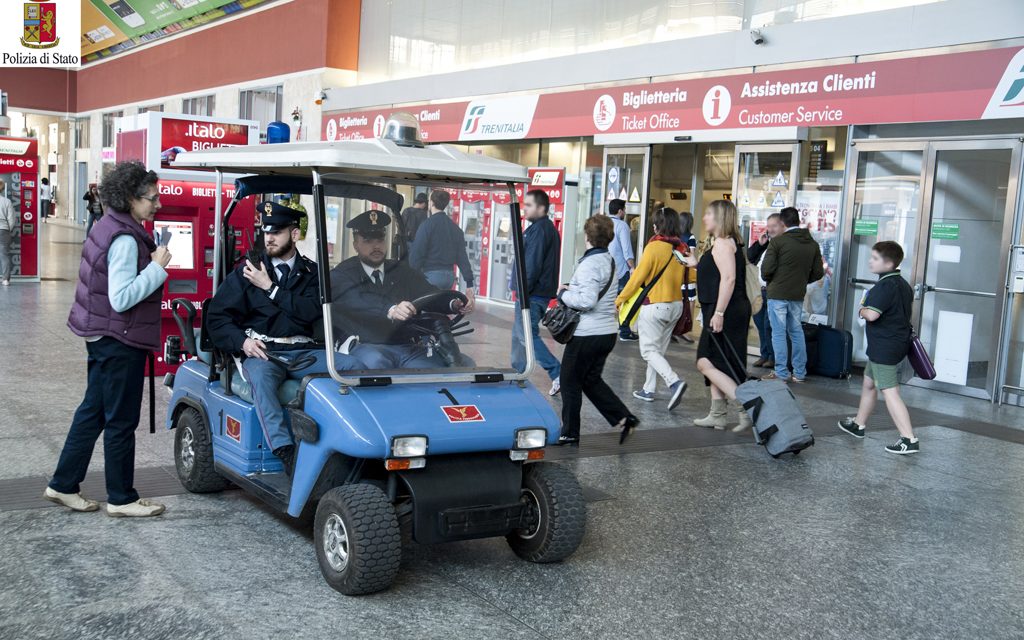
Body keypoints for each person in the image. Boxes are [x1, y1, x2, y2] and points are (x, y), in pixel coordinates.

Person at [45, 161, 171, 517]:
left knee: (93, 412)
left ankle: (63, 484)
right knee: (120, 420)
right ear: (131, 199)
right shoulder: (126, 239)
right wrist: (157, 267)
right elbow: (121, 297)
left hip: (101, 335)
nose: (157, 205)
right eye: (152, 199)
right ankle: (122, 498)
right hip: (120, 340)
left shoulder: (107, 223)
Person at [206, 201, 366, 476]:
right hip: (264, 352)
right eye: (266, 230)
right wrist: (243, 343)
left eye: (277, 231)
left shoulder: (312, 273)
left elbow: (311, 313)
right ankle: (285, 452)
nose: (269, 237)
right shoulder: (247, 271)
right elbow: (217, 319)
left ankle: (354, 444)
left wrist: (270, 288)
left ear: (294, 234)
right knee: (262, 379)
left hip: (305, 350)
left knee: (354, 367)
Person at [330, 209, 472, 369]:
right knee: (376, 366)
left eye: (380, 240)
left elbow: (428, 293)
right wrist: (391, 309)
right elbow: (356, 299)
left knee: (435, 370)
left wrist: (453, 304)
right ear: (356, 245)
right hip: (364, 343)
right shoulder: (342, 274)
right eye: (368, 241)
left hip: (404, 345)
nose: (376, 246)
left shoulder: (400, 271)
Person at [556, 215, 639, 446]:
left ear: (587, 237)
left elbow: (587, 300)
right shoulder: (609, 259)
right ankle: (625, 418)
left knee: (569, 381)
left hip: (587, 335)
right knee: (591, 380)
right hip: (606, 333)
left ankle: (570, 432)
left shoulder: (590, 263)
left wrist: (563, 294)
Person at [838, 241, 920, 454]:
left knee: (890, 391)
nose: (870, 261)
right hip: (889, 344)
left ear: (889, 263)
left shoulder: (885, 285)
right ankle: (858, 424)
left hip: (885, 346)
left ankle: (908, 439)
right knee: (869, 384)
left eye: (875, 258)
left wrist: (861, 310)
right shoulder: (901, 284)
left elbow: (872, 314)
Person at [681, 200, 754, 432]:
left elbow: (729, 279)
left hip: (726, 309)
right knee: (716, 361)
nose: (705, 218)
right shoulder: (726, 243)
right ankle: (717, 414)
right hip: (727, 308)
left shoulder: (722, 243)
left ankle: (745, 407)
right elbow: (717, 273)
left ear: (720, 218)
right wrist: (695, 264)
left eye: (709, 214)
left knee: (704, 361)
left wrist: (719, 312)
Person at [616, 207, 687, 411]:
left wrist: (619, 300)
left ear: (657, 226)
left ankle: (674, 382)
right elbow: (691, 277)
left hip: (655, 306)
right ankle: (648, 389)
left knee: (648, 351)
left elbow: (637, 278)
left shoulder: (654, 248)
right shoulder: (681, 248)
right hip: (676, 305)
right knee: (658, 352)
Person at [760, 206, 824, 383]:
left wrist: (771, 280)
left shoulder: (778, 242)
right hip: (797, 294)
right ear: (798, 221)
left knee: (779, 333)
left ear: (782, 222)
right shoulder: (812, 244)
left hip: (777, 294)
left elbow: (766, 270)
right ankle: (800, 373)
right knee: (796, 332)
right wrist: (802, 280)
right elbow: (819, 272)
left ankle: (781, 372)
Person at [510, 189, 562, 395]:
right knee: (519, 335)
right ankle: (516, 373)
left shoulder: (541, 230)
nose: (525, 208)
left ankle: (557, 372)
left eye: (529, 205)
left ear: (541, 208)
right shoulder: (538, 228)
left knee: (527, 336)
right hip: (532, 294)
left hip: (532, 295)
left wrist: (523, 292)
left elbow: (531, 266)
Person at [409, 190, 477, 305]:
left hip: (430, 276)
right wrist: (469, 283)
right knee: (442, 308)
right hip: (449, 277)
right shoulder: (455, 229)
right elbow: (462, 258)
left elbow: (417, 254)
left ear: (431, 203)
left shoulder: (427, 225)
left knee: (426, 310)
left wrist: (411, 276)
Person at [747, 213, 782, 368]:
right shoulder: (767, 243)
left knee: (770, 326)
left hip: (772, 291)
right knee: (760, 324)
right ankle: (764, 354)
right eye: (769, 226)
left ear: (782, 226)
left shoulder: (783, 245)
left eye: (774, 226)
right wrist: (760, 244)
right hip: (758, 291)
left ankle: (773, 358)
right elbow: (749, 257)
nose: (770, 229)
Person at [606, 198, 637, 341]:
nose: (625, 212)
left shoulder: (604, 223)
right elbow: (627, 250)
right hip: (620, 270)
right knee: (626, 300)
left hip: (605, 268)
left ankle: (606, 329)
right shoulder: (622, 226)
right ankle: (624, 331)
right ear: (620, 211)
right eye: (624, 209)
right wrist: (632, 267)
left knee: (607, 299)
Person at [675, 210, 699, 344]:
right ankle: (685, 330)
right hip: (688, 274)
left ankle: (675, 329)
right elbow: (692, 256)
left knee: (678, 300)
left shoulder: (674, 237)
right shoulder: (690, 237)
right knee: (690, 301)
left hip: (676, 273)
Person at [396, 192, 429, 256]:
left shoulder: (406, 211)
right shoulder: (423, 214)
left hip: (404, 242)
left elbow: (400, 227)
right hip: (417, 244)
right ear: (424, 203)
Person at [0, 182, 14, 286]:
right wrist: (9, 229)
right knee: (4, 255)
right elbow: (11, 219)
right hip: (3, 230)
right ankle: (5, 279)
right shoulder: (7, 201)